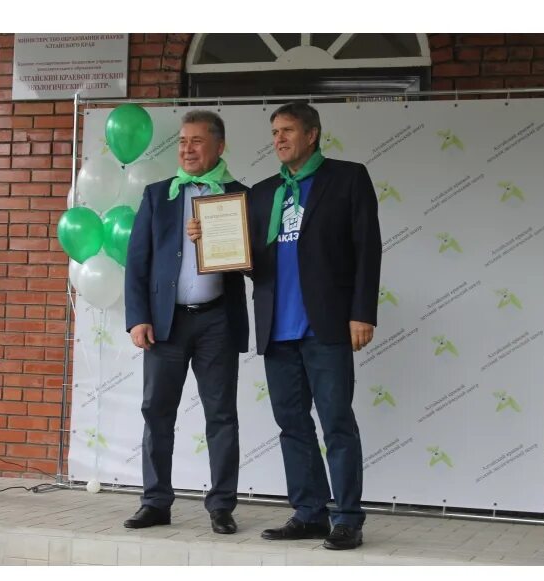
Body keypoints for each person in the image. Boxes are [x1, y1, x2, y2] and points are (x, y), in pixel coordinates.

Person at [248, 102, 381, 550]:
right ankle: (309, 513)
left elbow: (368, 250)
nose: (279, 139)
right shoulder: (263, 191)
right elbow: (253, 262)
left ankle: (347, 518)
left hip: (326, 327)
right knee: (292, 426)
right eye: (274, 132)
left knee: (337, 422)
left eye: (287, 130)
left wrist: (362, 312)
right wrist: (210, 242)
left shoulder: (347, 178)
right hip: (276, 329)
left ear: (312, 134)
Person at [123, 110, 249, 534]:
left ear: (219, 146)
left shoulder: (239, 195)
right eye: (182, 141)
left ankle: (221, 506)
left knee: (221, 416)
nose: (187, 149)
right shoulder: (158, 195)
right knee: (157, 413)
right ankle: (155, 502)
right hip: (166, 323)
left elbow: (259, 265)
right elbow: (136, 263)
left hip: (218, 320)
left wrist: (216, 240)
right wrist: (137, 318)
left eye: (196, 141)